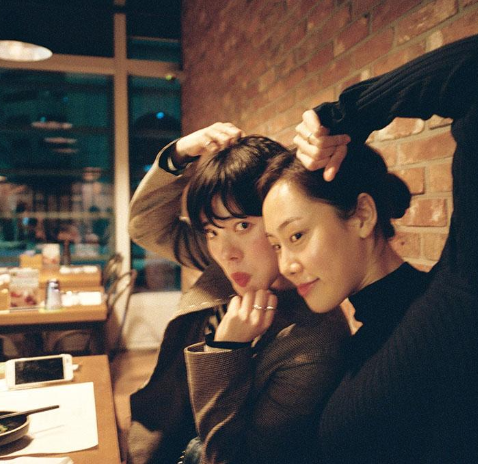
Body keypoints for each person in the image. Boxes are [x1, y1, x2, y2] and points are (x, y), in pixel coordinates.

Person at [259, 27, 478, 462]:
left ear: (362, 215)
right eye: (276, 245)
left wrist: (341, 119)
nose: (286, 265)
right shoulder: (356, 344)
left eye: (296, 236)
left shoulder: (460, 298)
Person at [127, 124, 350, 464]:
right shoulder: (228, 262)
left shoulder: (313, 342)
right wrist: (179, 154)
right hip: (160, 440)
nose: (226, 253)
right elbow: (146, 225)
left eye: (242, 226)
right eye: (211, 231)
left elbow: (235, 457)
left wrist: (226, 349)